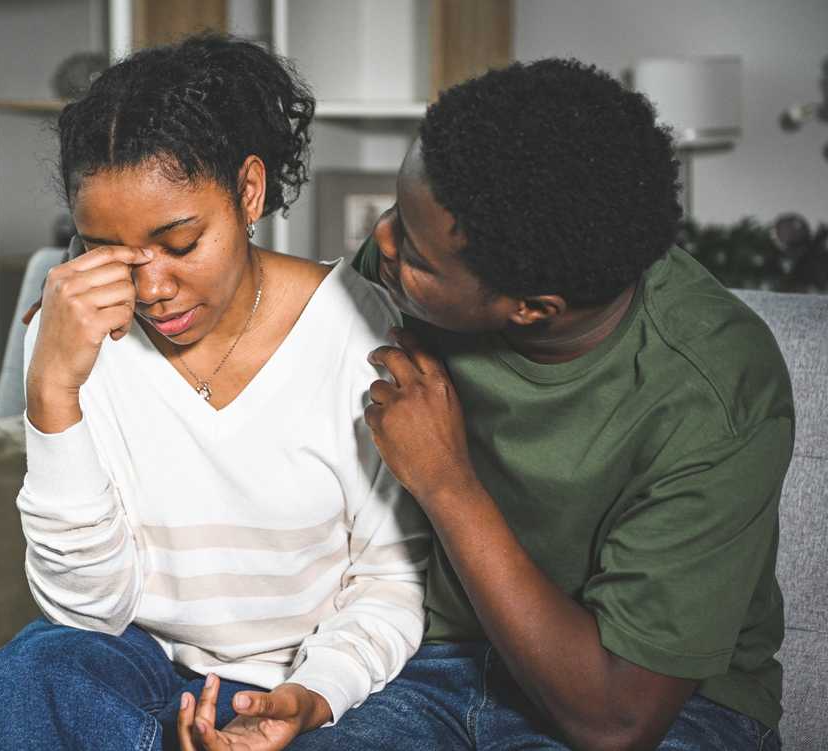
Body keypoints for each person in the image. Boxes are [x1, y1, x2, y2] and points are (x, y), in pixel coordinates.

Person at [0, 35, 431, 751]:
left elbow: (391, 578)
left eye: (179, 244)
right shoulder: (71, 332)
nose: (150, 289)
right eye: (107, 252)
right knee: (13, 685)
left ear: (249, 191)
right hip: (139, 658)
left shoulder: (359, 331)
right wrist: (52, 389)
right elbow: (83, 613)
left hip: (317, 675)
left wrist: (314, 695)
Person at [291, 58, 792, 750]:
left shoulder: (715, 389)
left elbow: (617, 719)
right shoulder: (421, 272)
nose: (380, 244)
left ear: (531, 308)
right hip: (432, 667)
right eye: (396, 214)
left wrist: (445, 480)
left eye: (415, 252)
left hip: (666, 707)